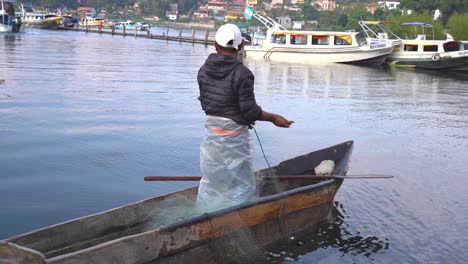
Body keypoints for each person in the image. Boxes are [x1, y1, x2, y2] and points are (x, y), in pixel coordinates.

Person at [196, 24, 293, 211]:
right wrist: (274, 118)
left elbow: (207, 105)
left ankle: (203, 215)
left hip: (212, 135)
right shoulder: (243, 74)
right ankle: (235, 219)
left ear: (215, 45)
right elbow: (249, 112)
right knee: (243, 185)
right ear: (240, 47)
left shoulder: (203, 71)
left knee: (211, 180)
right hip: (234, 138)